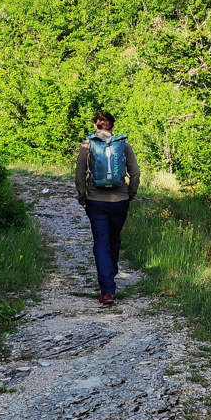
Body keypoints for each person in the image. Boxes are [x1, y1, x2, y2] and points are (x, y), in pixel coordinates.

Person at [75, 111, 140, 305]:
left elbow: (80, 174)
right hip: (119, 201)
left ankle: (107, 290)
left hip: (96, 202)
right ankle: (109, 275)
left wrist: (83, 197)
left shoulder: (88, 144)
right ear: (113, 127)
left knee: (101, 242)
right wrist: (130, 195)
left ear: (96, 127)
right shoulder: (124, 144)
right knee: (114, 239)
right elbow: (135, 174)